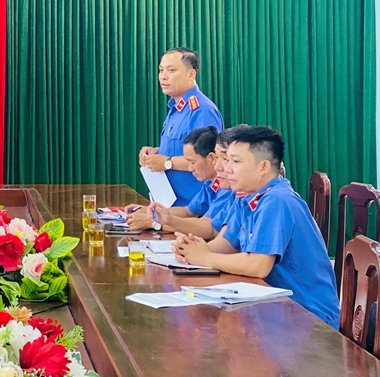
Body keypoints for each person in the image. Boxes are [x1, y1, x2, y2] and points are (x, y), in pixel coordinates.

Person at [173, 125, 339, 328]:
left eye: (236, 161)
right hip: (275, 310)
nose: (226, 169)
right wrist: (191, 250)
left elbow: (258, 266)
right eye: (227, 160)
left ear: (264, 167)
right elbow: (226, 245)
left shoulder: (277, 200)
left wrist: (205, 257)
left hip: (310, 319)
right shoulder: (247, 197)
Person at [137, 47, 224, 206]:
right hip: (171, 205)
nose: (163, 76)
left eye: (171, 70)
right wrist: (157, 152)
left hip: (194, 207)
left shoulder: (201, 110)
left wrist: (167, 162)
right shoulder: (176, 109)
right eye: (161, 70)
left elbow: (209, 159)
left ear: (191, 74)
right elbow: (182, 149)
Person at [128, 126, 232, 240]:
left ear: (212, 158)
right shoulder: (211, 183)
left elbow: (209, 228)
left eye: (192, 162)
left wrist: (154, 223)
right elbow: (188, 211)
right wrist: (151, 212)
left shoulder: (228, 186)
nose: (190, 168)